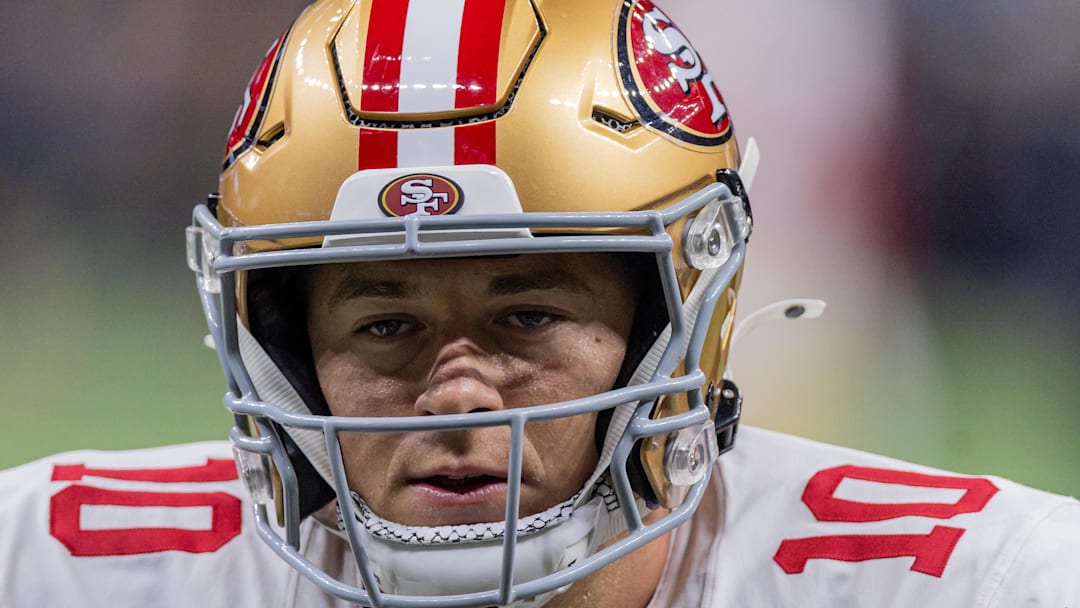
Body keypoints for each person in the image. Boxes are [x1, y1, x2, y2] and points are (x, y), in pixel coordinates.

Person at [2, 0, 1078, 606]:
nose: (458, 394)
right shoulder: (53, 562)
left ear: (678, 319)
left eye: (529, 317)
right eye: (386, 324)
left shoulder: (983, 585)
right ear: (278, 345)